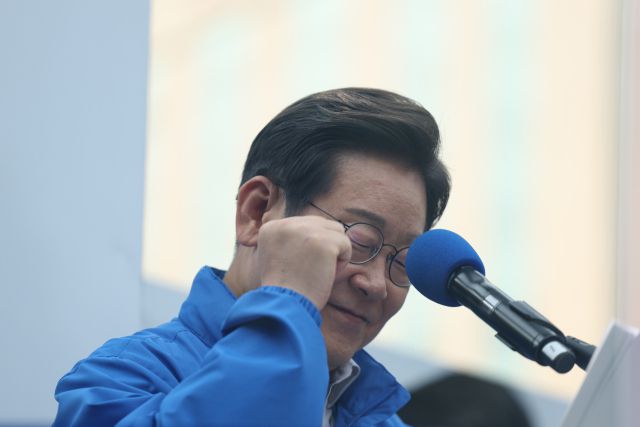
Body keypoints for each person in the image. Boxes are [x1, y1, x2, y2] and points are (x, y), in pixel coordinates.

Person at [53, 87, 450, 426]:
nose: (376, 284)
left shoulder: (382, 420)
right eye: (360, 240)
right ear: (257, 212)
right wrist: (287, 306)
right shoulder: (119, 380)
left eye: (402, 261)